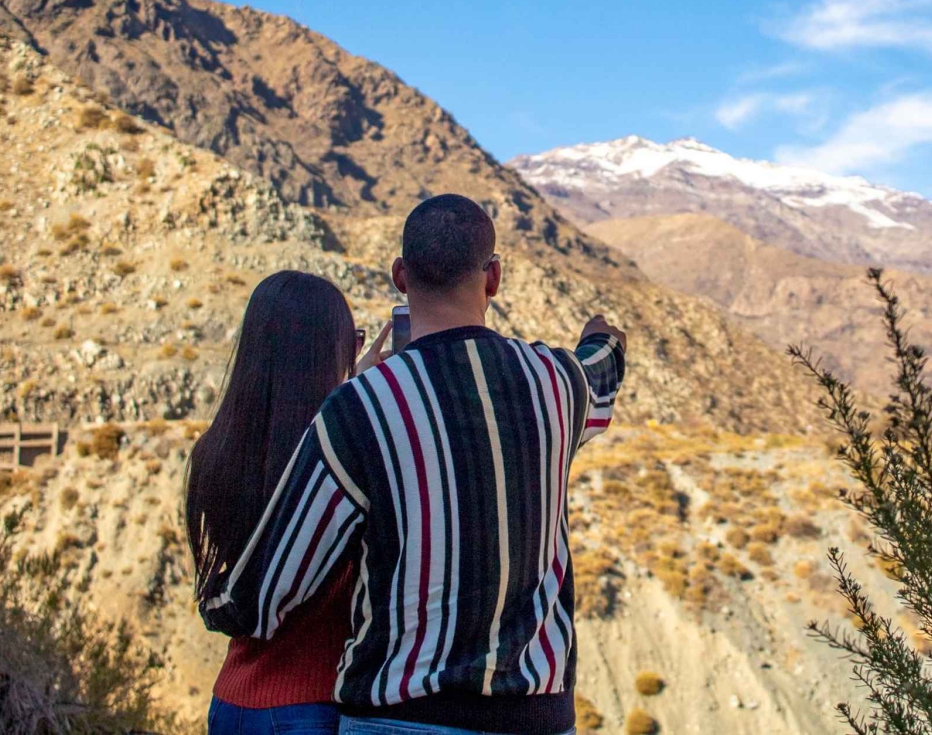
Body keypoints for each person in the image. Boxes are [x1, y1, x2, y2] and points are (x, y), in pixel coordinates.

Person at [199, 194, 627, 735]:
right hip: (535, 718)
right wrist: (602, 336)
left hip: (399, 719)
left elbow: (267, 596)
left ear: (401, 275)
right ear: (492, 278)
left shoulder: (359, 407)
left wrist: (218, 605)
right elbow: (603, 370)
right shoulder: (556, 383)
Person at [186, 270, 365, 735]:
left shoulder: (215, 452)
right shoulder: (341, 461)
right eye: (353, 343)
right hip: (312, 704)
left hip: (232, 701)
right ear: (330, 353)